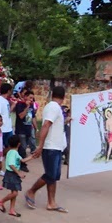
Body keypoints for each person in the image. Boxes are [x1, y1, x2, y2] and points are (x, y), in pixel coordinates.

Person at [25, 85, 69, 213]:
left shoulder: (55, 108)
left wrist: (66, 120)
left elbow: (53, 125)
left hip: (56, 146)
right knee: (50, 174)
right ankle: (31, 191)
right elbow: (45, 125)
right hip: (50, 146)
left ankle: (51, 202)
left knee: (54, 176)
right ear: (64, 96)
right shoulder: (54, 107)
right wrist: (40, 145)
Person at [0, 135, 34, 218]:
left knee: (14, 192)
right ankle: (1, 201)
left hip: (13, 174)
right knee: (15, 193)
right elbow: (11, 164)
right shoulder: (12, 153)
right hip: (12, 174)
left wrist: (32, 157)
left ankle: (12, 209)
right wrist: (19, 173)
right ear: (19, 144)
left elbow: (22, 160)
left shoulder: (14, 152)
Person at [14, 90, 35, 172]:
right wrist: (27, 107)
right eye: (30, 97)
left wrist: (35, 127)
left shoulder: (31, 106)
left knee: (24, 147)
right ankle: (22, 164)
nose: (31, 100)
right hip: (21, 130)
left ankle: (19, 162)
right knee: (22, 148)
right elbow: (21, 116)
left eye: (32, 98)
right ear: (25, 97)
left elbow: (33, 117)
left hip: (28, 129)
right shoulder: (20, 105)